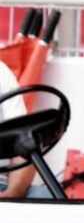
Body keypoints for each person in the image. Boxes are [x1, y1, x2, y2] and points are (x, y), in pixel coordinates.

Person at [0, 60, 47, 198]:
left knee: (43, 197)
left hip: (3, 183)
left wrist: (13, 193)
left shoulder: (2, 73)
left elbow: (23, 144)